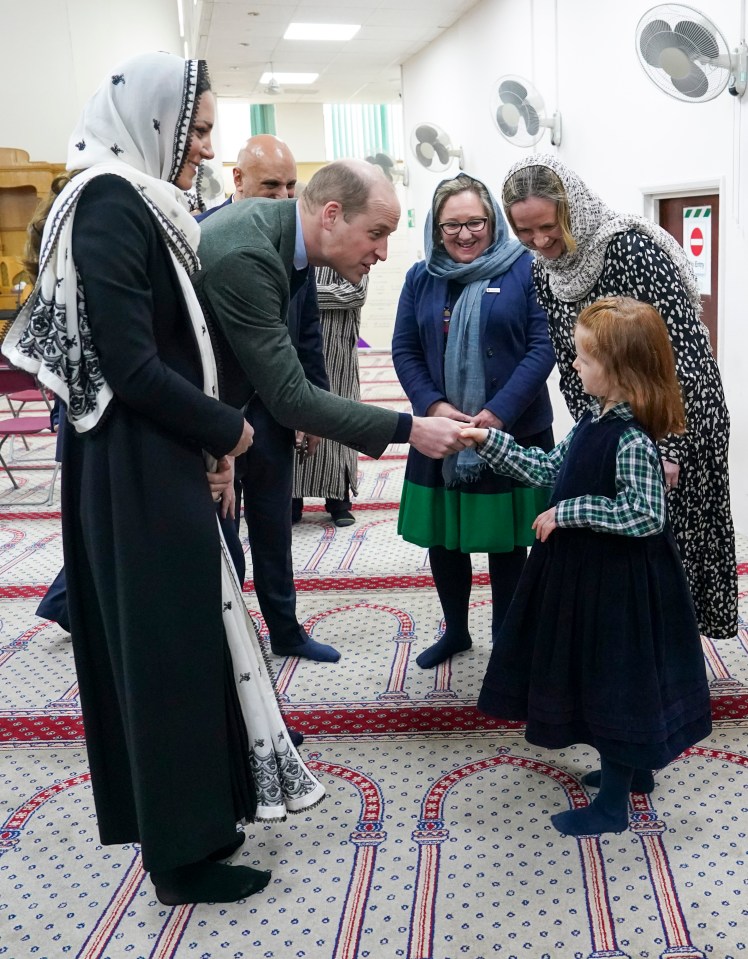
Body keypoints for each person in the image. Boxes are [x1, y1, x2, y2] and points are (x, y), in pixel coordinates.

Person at [3, 52, 325, 906]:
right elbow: (130, 363)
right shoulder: (108, 200)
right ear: (151, 121)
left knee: (187, 645)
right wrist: (230, 427)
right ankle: (181, 860)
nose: (202, 149)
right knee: (165, 657)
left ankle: (204, 827)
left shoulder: (131, 197)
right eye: (200, 129)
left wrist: (211, 438)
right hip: (134, 468)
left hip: (156, 456)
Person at [463, 296, 712, 836]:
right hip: (589, 577)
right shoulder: (589, 425)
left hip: (622, 586)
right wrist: (489, 443)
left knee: (617, 683)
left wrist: (568, 511)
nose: (573, 365)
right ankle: (632, 770)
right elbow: (546, 466)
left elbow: (645, 515)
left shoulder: (631, 441)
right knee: (605, 678)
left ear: (620, 370)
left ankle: (613, 807)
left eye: (584, 357)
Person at [501, 153, 737, 641]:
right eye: (525, 232)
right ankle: (636, 656)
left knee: (673, 547)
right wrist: (592, 433)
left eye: (548, 226)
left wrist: (668, 447)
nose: (540, 241)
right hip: (613, 418)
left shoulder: (631, 247)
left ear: (573, 210)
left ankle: (675, 665)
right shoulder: (544, 270)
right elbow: (570, 361)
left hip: (678, 417)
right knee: (622, 554)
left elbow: (684, 356)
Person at [192, 160, 471, 542]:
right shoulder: (249, 254)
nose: (384, 252)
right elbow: (290, 398)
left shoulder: (277, 234)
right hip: (170, 439)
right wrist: (413, 429)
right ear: (332, 215)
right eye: (376, 233)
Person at [391, 172, 555, 669]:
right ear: (436, 229)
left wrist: (497, 414)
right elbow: (405, 349)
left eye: (475, 222)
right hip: (441, 435)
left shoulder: (526, 270)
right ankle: (456, 632)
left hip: (513, 432)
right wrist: (435, 406)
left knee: (508, 542)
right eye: (452, 226)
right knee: (446, 536)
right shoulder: (422, 277)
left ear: (493, 222)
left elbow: (542, 345)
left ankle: (507, 639)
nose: (465, 235)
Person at [198, 136, 338, 663]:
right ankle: (233, 643)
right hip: (222, 415)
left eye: (289, 186)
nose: (282, 196)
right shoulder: (207, 235)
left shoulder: (295, 242)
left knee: (275, 528)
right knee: (224, 534)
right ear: (237, 181)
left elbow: (308, 335)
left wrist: (314, 405)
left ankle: (286, 629)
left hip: (275, 413)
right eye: (269, 185)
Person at [292, 268, 368, 527]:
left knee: (338, 421)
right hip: (299, 345)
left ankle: (338, 501)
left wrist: (304, 294)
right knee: (295, 415)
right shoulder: (297, 256)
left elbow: (355, 292)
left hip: (337, 352)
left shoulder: (349, 249)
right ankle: (292, 498)